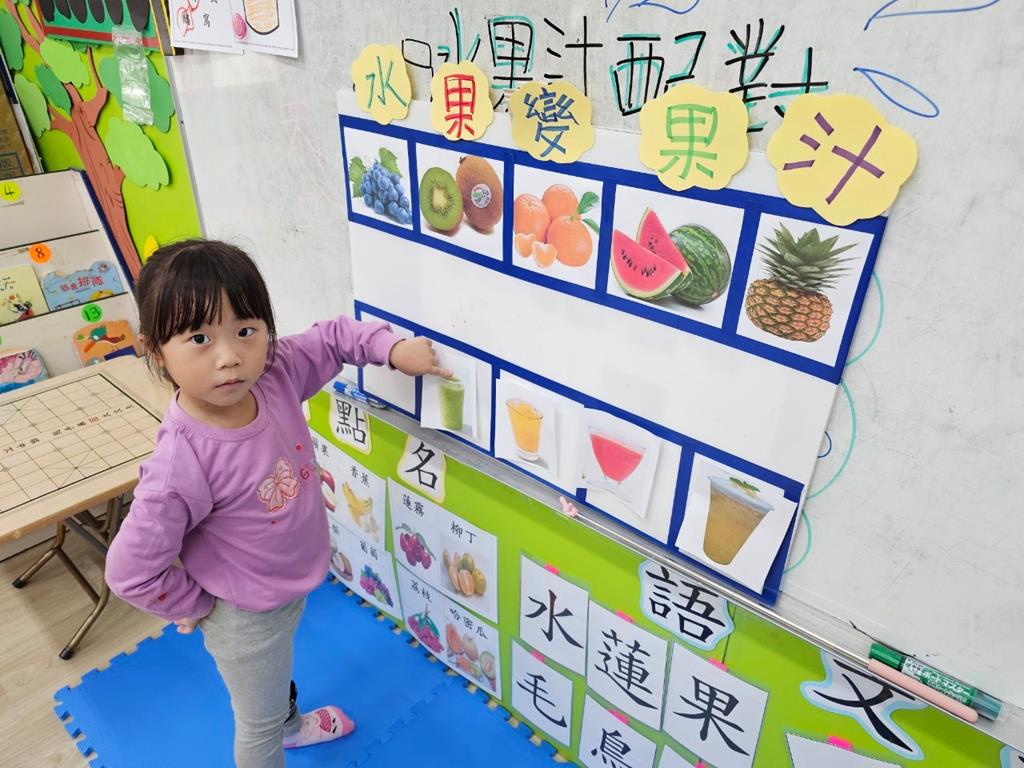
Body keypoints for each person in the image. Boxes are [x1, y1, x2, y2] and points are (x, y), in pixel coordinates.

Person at [105, 240, 448, 768]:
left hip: (289, 582)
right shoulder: (181, 464)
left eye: (245, 330)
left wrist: (391, 349)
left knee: (276, 674)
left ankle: (290, 725)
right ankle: (279, 728)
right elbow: (129, 571)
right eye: (199, 338)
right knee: (256, 725)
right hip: (243, 615)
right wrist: (193, 605)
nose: (229, 356)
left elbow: (332, 339)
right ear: (155, 351)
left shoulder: (274, 374)